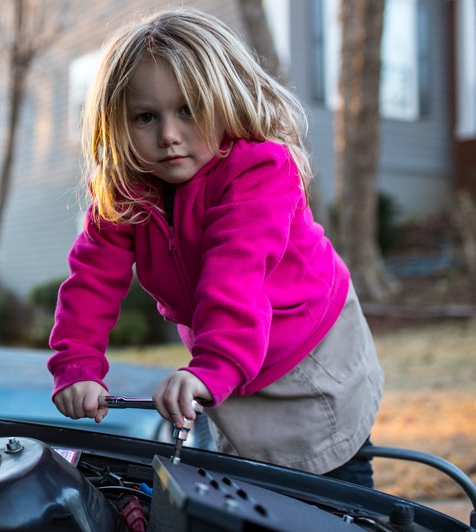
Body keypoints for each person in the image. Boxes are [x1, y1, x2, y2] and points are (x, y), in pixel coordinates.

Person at [47, 7, 384, 487]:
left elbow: (236, 276)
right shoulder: (124, 189)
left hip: (307, 354)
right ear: (118, 123)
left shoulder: (258, 171)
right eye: (146, 117)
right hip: (226, 349)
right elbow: (91, 281)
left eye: (188, 110)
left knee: (330, 489)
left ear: (225, 101)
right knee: (247, 487)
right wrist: (77, 365)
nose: (168, 135)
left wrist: (210, 369)